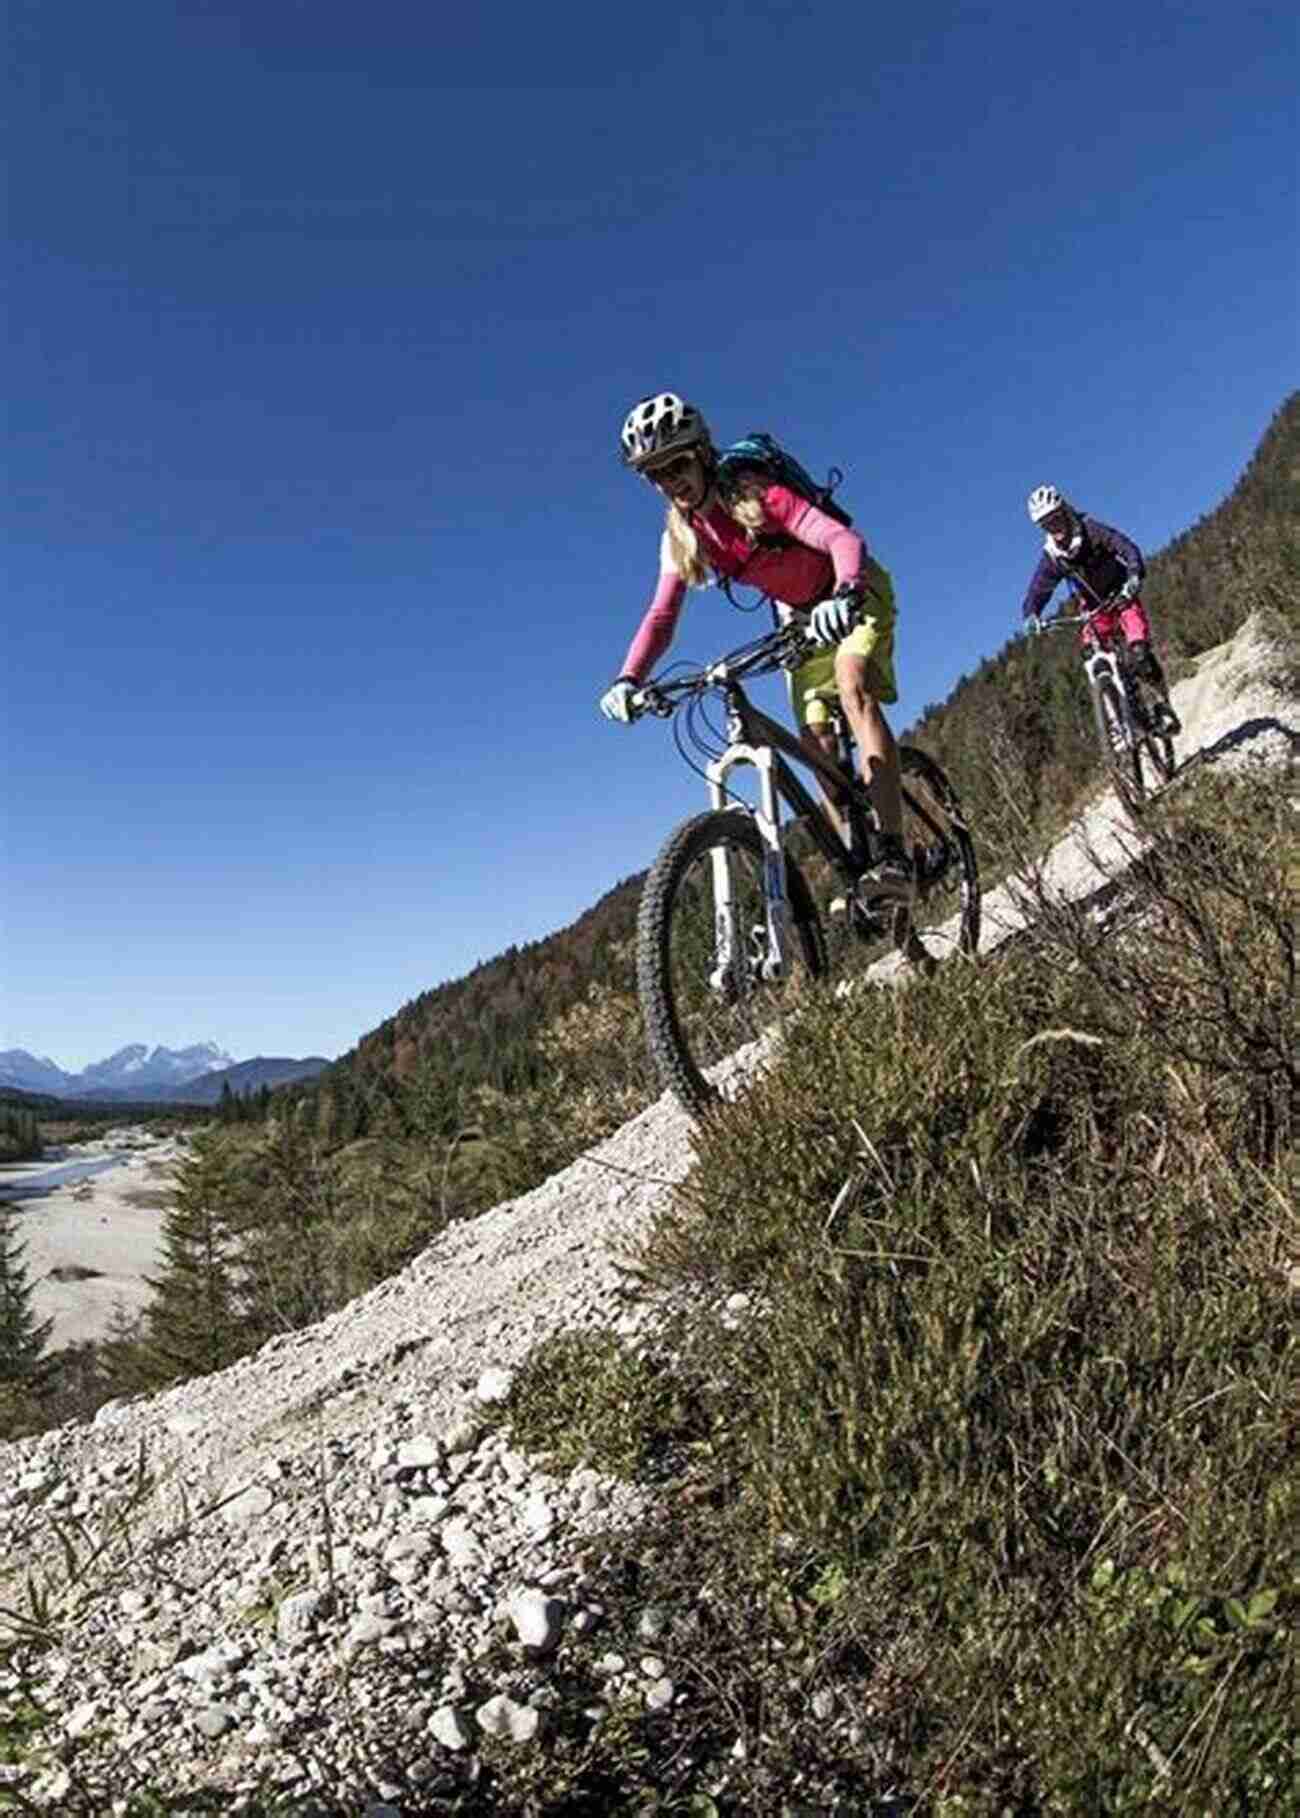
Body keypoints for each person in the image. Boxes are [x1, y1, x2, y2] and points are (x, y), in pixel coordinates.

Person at [599, 392, 912, 900]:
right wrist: (628, 678)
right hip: (800, 622)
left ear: (701, 453)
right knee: (816, 746)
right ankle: (860, 867)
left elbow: (843, 541)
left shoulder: (754, 493)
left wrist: (845, 591)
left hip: (852, 594)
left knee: (853, 687)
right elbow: (661, 615)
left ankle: (896, 854)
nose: (671, 480)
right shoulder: (682, 536)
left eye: (677, 463)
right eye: (656, 474)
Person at [1020, 485, 1181, 734]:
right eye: (1046, 523)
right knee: (1092, 659)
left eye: (1055, 517)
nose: (1054, 526)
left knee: (1141, 657)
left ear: (1064, 510)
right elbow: (1038, 589)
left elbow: (1126, 547)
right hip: (1095, 610)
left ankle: (1163, 702)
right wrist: (1031, 614)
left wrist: (1135, 575)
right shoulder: (1053, 556)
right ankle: (1116, 726)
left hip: (1122, 597)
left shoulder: (1091, 530)